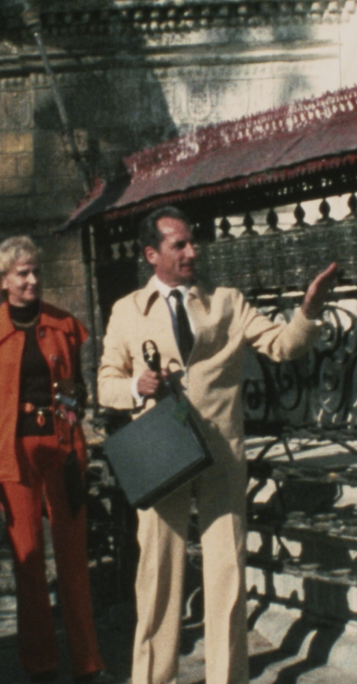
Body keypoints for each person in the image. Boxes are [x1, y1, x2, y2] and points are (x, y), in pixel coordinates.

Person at [97, 206, 337, 684]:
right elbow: (105, 382)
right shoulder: (127, 310)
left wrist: (309, 311)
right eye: (179, 245)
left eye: (192, 241)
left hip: (221, 455)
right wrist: (134, 387)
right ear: (152, 255)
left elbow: (282, 345)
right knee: (158, 576)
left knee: (227, 573)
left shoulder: (227, 301)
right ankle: (152, 678)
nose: (192, 251)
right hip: (162, 453)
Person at [0, 236, 109, 684]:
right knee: (28, 561)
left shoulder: (65, 325)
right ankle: (41, 665)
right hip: (13, 454)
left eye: (36, 272)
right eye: (22, 274)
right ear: (2, 281)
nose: (32, 280)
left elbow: (79, 389)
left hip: (62, 449)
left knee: (72, 560)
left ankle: (88, 664)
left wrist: (73, 408)